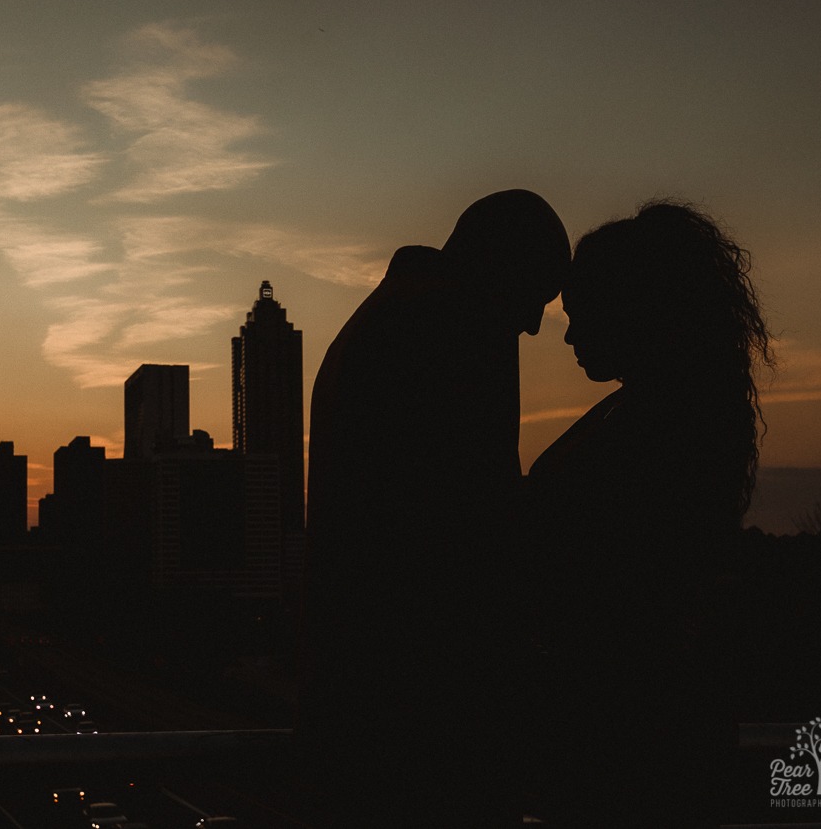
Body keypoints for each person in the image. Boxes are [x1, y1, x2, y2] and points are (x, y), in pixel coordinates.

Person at [301, 189, 569, 826]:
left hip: (364, 703)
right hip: (426, 718)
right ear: (500, 265)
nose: (533, 324)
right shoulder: (454, 325)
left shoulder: (387, 315)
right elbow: (478, 529)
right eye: (535, 294)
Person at [524, 201, 773, 827]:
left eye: (581, 317)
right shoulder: (664, 420)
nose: (570, 337)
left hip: (626, 744)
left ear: (633, 310)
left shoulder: (655, 434)